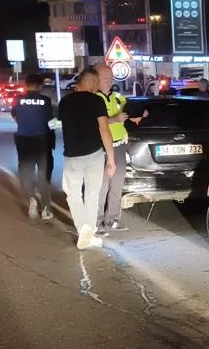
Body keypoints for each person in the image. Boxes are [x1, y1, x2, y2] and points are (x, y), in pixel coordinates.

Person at [58, 68, 116, 250]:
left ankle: (83, 228)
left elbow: (64, 125)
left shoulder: (64, 101)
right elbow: (103, 129)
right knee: (92, 194)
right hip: (93, 154)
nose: (98, 86)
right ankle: (88, 231)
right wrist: (111, 159)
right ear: (91, 81)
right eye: (97, 82)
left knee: (73, 193)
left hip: (72, 155)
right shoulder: (96, 100)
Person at [94, 63, 144, 235]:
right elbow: (94, 123)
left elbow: (130, 114)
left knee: (117, 184)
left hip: (120, 147)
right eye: (104, 78)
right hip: (102, 148)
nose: (109, 81)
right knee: (102, 186)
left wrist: (139, 115)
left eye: (110, 78)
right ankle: (97, 221)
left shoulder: (118, 98)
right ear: (95, 79)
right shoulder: (93, 99)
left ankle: (112, 219)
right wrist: (113, 119)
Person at [12, 73, 55, 221]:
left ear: (26, 84)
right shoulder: (45, 100)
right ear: (40, 86)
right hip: (42, 141)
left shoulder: (18, 100)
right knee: (44, 175)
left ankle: (31, 200)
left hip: (24, 141)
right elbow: (52, 120)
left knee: (26, 172)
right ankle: (46, 209)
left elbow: (15, 116)